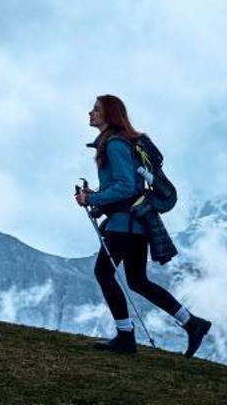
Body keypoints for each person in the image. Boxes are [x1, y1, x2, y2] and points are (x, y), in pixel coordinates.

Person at [74, 94, 212, 356]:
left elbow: (126, 186)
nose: (90, 113)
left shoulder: (114, 144)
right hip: (137, 224)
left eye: (96, 109)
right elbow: (127, 185)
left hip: (124, 225)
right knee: (137, 280)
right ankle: (192, 323)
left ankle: (126, 336)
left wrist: (92, 198)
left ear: (109, 115)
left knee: (104, 273)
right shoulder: (121, 142)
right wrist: (97, 196)